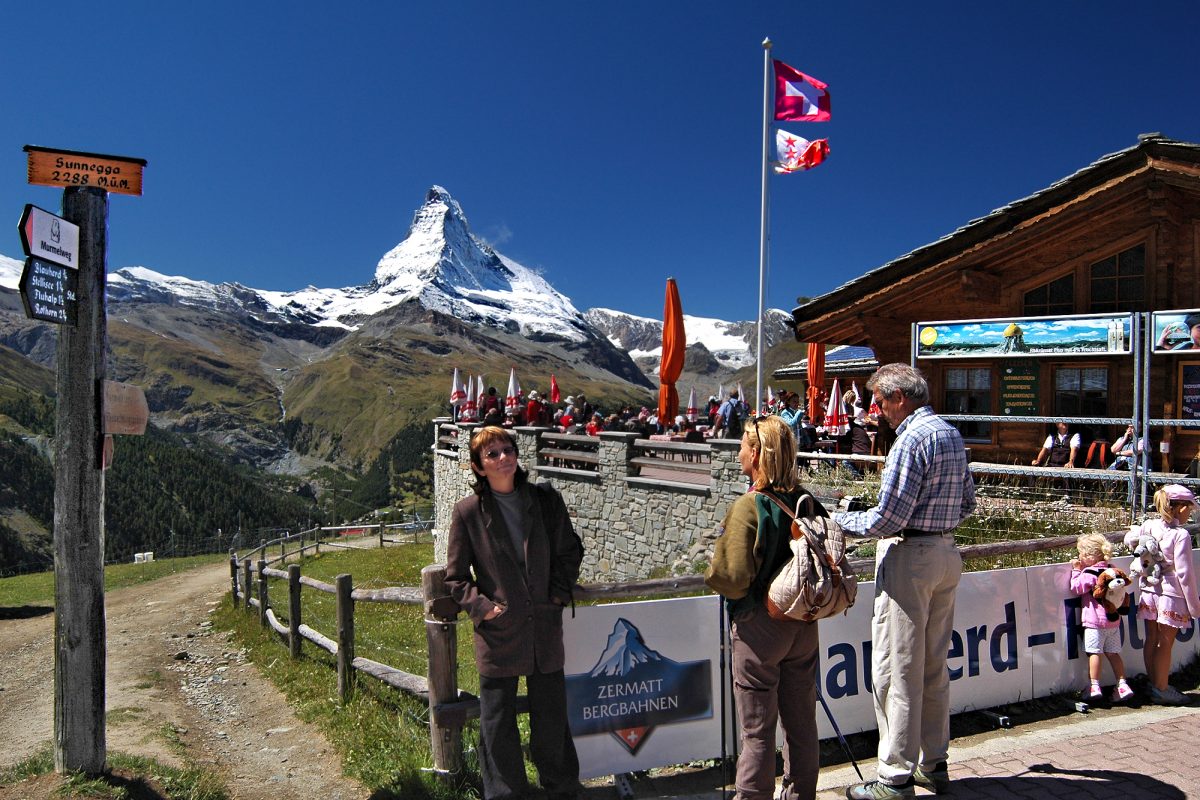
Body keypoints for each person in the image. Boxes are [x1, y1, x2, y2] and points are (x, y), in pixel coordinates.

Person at [832, 363, 976, 799]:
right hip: (945, 552)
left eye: (879, 400)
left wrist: (837, 519)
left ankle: (894, 777)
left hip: (910, 555)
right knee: (933, 667)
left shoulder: (910, 439)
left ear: (898, 397)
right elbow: (968, 502)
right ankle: (934, 764)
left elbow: (886, 518)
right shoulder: (949, 433)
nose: (876, 410)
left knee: (897, 669)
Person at [445, 426, 585, 800]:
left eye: (508, 450)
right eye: (492, 454)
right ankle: (506, 794)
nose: (503, 458)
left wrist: (556, 596)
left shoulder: (543, 500)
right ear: (478, 466)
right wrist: (483, 608)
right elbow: (455, 578)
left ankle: (561, 789)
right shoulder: (468, 513)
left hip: (543, 626)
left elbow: (570, 551)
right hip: (499, 631)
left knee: (552, 717)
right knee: (497, 720)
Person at [704, 414, 824, 800]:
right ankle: (800, 793)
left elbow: (731, 577)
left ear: (756, 454)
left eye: (742, 445)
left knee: (757, 730)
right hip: (803, 625)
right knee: (802, 722)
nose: (739, 451)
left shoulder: (749, 506)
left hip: (760, 628)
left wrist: (713, 568)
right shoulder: (807, 501)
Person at [1123, 484, 1200, 705]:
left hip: (1149, 590)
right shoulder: (1181, 535)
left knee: (1152, 639)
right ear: (1179, 508)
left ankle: (1154, 681)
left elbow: (1131, 539)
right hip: (1171, 594)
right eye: (1189, 508)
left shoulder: (1148, 525)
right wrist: (1194, 605)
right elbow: (1184, 573)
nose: (1191, 513)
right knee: (1166, 643)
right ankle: (1162, 687)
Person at [1069, 533, 1134, 703]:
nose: (1079, 558)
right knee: (1113, 654)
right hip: (1113, 621)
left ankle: (1094, 686)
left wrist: (1076, 570)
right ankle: (1122, 684)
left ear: (1090, 556)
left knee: (1095, 653)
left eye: (1081, 554)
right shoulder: (1112, 570)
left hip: (1094, 623)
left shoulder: (1089, 573)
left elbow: (1076, 588)